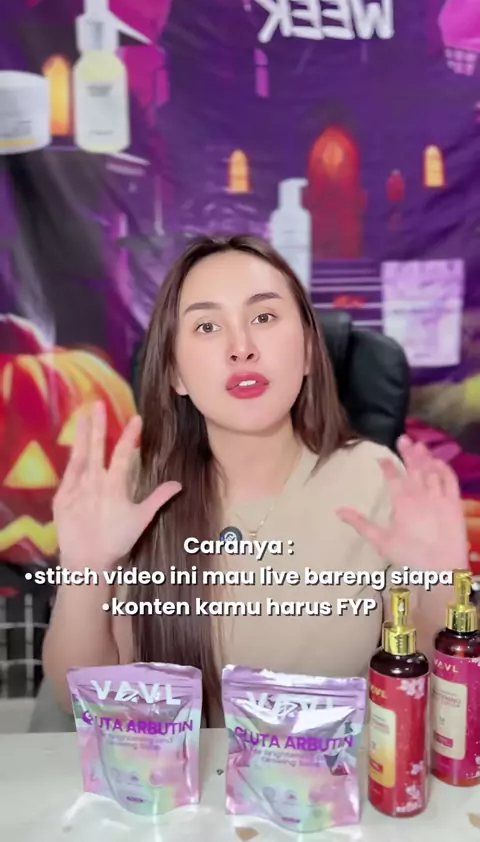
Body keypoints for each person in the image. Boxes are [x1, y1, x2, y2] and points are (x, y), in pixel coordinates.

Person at [43, 235, 470, 727]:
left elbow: (426, 696)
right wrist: (85, 570)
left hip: (331, 771)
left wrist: (441, 580)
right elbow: (81, 698)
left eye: (264, 317)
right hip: (179, 774)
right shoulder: (136, 490)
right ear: (176, 374)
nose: (241, 348)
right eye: (207, 326)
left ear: (308, 352)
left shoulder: (375, 477)